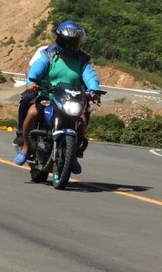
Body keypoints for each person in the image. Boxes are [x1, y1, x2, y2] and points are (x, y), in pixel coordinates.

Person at [14, 21, 101, 174]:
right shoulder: (47, 55)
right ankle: (25, 147)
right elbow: (35, 70)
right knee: (33, 112)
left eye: (76, 42)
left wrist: (94, 90)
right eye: (71, 42)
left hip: (72, 99)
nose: (74, 45)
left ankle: (72, 155)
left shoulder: (82, 60)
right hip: (48, 96)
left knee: (82, 122)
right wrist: (32, 82)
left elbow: (90, 76)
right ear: (62, 41)